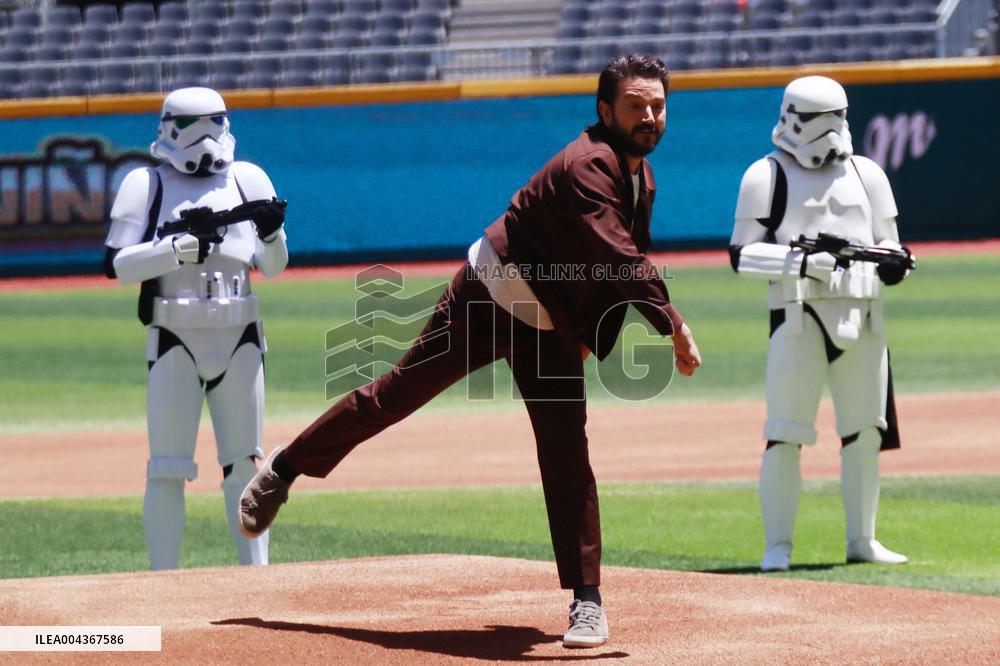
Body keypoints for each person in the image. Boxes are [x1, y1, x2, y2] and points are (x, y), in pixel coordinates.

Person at [239, 55, 701, 648]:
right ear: (605, 111)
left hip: (548, 326)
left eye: (658, 105)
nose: (649, 116)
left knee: (567, 450)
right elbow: (616, 255)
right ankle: (284, 468)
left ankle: (587, 602)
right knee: (392, 397)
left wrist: (588, 337)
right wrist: (672, 324)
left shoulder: (641, 177)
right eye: (636, 105)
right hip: (489, 295)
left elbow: (607, 265)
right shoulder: (589, 164)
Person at [729, 76, 914, 572]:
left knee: (865, 433)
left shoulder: (867, 173)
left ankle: (862, 539)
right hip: (798, 315)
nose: (830, 129)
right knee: (785, 432)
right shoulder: (766, 176)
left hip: (864, 315)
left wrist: (893, 263)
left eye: (837, 118)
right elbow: (742, 254)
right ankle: (778, 546)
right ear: (792, 118)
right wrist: (802, 263)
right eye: (817, 119)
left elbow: (887, 242)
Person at [103, 87, 288, 570]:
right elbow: (117, 264)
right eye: (190, 124)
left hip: (240, 334)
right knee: (167, 467)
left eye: (213, 122)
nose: (203, 136)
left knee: (245, 465)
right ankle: (163, 580)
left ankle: (256, 579)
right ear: (168, 128)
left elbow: (273, 265)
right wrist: (174, 250)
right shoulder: (147, 184)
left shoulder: (247, 179)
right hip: (175, 336)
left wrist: (271, 232)